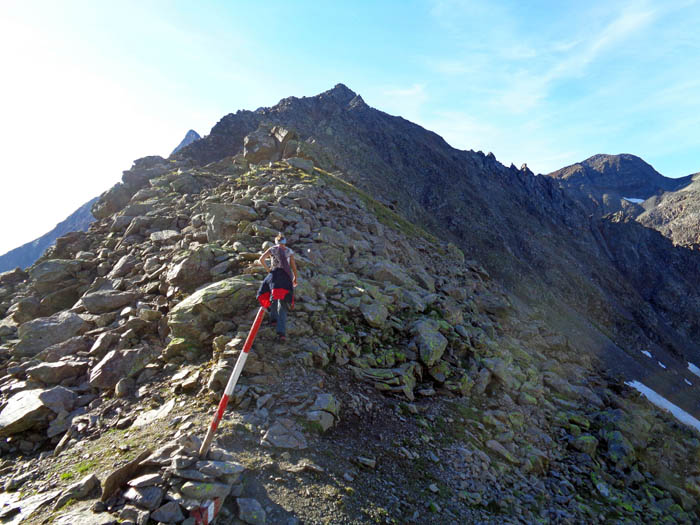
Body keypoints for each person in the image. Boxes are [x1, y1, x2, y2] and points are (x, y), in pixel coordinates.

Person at [256, 233, 298, 341]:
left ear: (276, 242)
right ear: (285, 242)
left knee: (273, 297)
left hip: (274, 276)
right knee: (283, 303)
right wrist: (295, 277)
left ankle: (273, 319)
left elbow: (261, 259)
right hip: (285, 278)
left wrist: (268, 270)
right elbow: (293, 265)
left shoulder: (272, 249)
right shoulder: (289, 251)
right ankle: (281, 332)